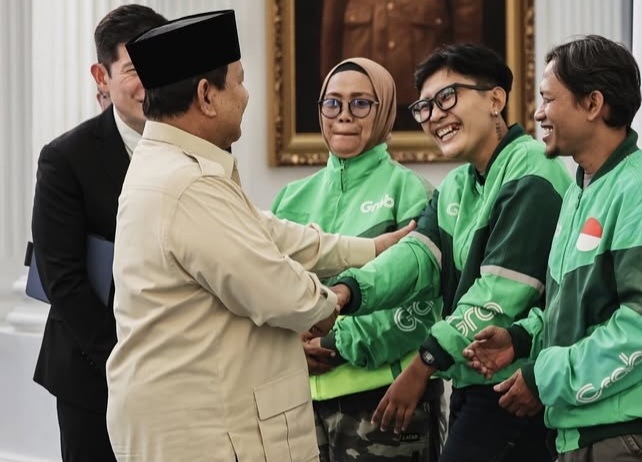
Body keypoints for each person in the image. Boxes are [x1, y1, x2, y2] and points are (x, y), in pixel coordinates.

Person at [106, 10, 414, 462]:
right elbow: (278, 292)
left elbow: (265, 231)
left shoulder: (175, 167)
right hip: (207, 428)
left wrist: (368, 249)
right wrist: (334, 301)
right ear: (207, 96)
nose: (247, 96)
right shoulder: (188, 184)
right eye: (240, 82)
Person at [463, 35, 642, 462]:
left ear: (593, 104)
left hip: (631, 442)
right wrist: (522, 340)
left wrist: (544, 377)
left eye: (548, 99)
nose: (538, 114)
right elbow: (577, 312)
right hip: (587, 437)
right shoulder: (581, 194)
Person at [328, 43, 573, 462]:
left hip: (519, 387)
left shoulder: (532, 169)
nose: (434, 115)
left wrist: (423, 363)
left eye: (447, 97)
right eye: (424, 107)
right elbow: (416, 257)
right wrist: (345, 292)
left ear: (496, 98)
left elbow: (499, 294)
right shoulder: (459, 184)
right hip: (473, 381)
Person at [272, 57, 444, 462]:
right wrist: (289, 346)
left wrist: (335, 343)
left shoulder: (412, 191)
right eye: (332, 103)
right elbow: (265, 290)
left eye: (360, 103)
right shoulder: (289, 199)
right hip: (296, 403)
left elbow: (420, 304)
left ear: (383, 109)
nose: (344, 116)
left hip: (384, 404)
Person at [30, 5, 167, 462]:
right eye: (133, 68)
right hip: (94, 375)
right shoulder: (65, 158)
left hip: (179, 374)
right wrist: (124, 362)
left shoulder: (201, 151)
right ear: (102, 75)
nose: (151, 79)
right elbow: (61, 279)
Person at [320, 0, 484, 131]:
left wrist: (465, 79)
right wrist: (330, 87)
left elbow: (466, 13)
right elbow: (332, 22)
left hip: (426, 82)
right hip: (360, 82)